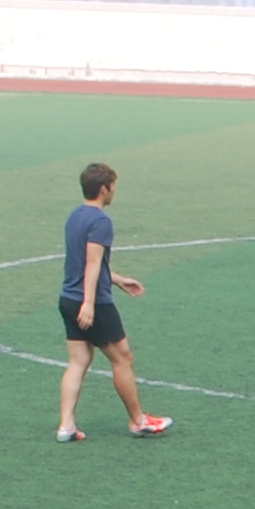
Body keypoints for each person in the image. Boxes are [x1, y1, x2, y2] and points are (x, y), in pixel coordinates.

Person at [56, 162, 170, 442]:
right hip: (93, 303)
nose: (114, 191)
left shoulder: (74, 216)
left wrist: (116, 280)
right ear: (104, 189)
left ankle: (66, 426)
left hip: (68, 298)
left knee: (78, 361)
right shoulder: (101, 222)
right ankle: (138, 421)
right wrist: (89, 303)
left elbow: (80, 261)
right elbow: (92, 263)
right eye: (113, 186)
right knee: (122, 358)